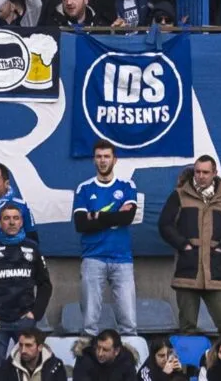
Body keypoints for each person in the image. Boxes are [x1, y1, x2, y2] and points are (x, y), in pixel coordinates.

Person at [157, 156, 221, 334]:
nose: (201, 176)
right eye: (198, 172)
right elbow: (165, 224)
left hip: (215, 271)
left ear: (214, 173)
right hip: (188, 270)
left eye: (205, 172)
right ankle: (190, 363)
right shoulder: (179, 195)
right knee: (187, 327)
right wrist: (183, 245)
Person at [73, 140, 138, 336]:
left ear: (114, 160)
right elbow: (80, 224)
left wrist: (96, 215)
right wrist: (113, 216)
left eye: (107, 156)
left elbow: (127, 217)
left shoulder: (127, 186)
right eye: (99, 156)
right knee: (90, 323)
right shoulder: (84, 188)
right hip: (93, 258)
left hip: (122, 259)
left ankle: (128, 363)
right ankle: (89, 362)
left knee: (129, 323)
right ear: (94, 160)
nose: (103, 161)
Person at [0, 203, 52, 370]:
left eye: (16, 218)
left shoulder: (32, 247)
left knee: (28, 367)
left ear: (22, 222)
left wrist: (35, 313)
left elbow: (45, 285)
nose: (11, 222)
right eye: (6, 218)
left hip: (24, 320)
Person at [70, 330, 137, 381]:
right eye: (98, 348)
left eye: (105, 350)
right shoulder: (85, 357)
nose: (100, 353)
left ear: (116, 351)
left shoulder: (127, 360)